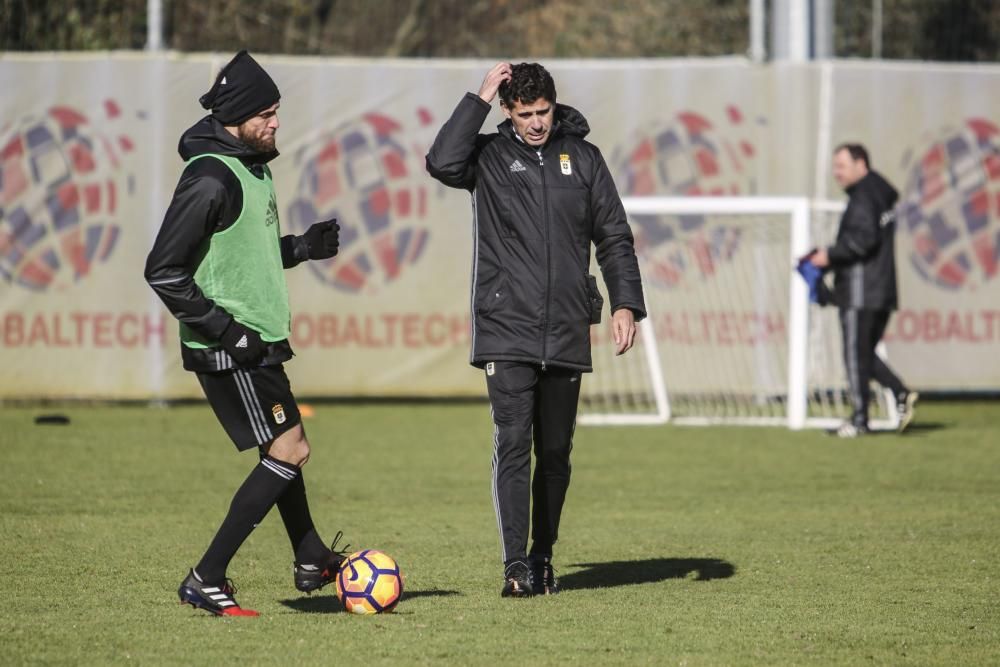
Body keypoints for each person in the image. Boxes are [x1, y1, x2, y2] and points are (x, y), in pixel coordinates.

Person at [426, 62, 646, 597]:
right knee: (513, 443)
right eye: (524, 114)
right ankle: (514, 565)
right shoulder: (489, 157)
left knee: (555, 453)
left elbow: (614, 236)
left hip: (568, 326)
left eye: (543, 112)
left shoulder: (585, 160)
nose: (536, 123)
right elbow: (441, 162)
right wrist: (477, 97)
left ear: (553, 104)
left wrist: (625, 304)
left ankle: (543, 555)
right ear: (507, 111)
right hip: (506, 326)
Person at [145, 50, 347, 617]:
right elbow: (164, 271)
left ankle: (309, 554)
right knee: (290, 448)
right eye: (267, 113)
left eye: (278, 110)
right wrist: (228, 334)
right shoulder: (209, 176)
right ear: (237, 116)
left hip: (253, 341)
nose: (276, 122)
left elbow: (245, 257)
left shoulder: (251, 167)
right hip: (230, 347)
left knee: (284, 448)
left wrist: (303, 247)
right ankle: (205, 576)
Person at [803, 143, 918, 437]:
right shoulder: (880, 195)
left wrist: (828, 256)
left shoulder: (865, 197)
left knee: (855, 355)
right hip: (880, 288)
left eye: (841, 165)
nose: (836, 173)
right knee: (864, 353)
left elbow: (862, 240)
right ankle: (899, 393)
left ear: (861, 164)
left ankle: (859, 419)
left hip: (860, 290)